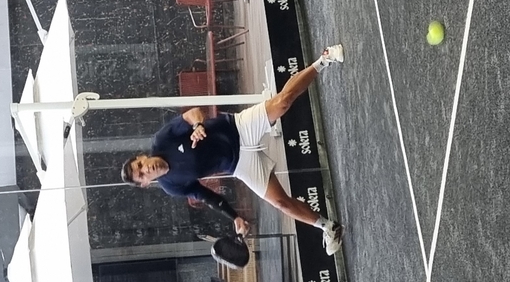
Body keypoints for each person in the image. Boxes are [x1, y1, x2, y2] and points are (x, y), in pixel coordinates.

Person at [121, 45, 346, 255]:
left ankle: (325, 59)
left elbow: (192, 114)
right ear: (145, 183)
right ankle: (329, 227)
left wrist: (197, 125)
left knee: (282, 103)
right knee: (280, 203)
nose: (145, 169)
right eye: (141, 175)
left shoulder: (162, 140)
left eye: (140, 165)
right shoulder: (172, 186)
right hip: (239, 165)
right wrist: (234, 217)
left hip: (238, 128)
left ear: (142, 157)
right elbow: (207, 196)